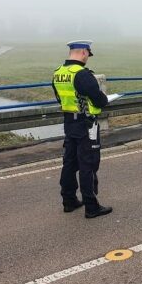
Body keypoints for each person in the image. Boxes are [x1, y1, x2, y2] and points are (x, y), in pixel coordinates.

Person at [52, 40, 112, 218]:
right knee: (88, 163)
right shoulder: (82, 75)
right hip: (86, 124)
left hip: (69, 122)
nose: (88, 59)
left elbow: (60, 99)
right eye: (88, 55)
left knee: (69, 163)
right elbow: (100, 100)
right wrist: (105, 99)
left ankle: (69, 200)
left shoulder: (58, 73)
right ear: (84, 53)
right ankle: (91, 206)